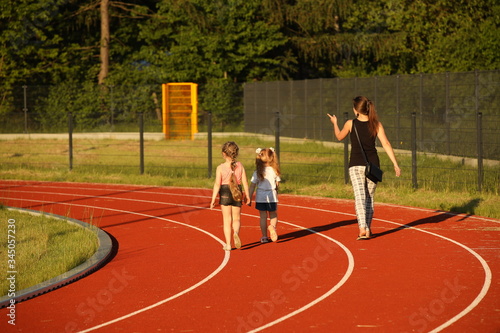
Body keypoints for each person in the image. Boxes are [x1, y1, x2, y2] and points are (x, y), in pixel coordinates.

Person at [328, 96, 401, 240]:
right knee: (369, 198)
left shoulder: (350, 123)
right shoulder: (376, 124)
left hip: (355, 164)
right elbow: (386, 143)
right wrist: (395, 164)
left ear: (356, 110)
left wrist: (335, 123)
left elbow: (338, 136)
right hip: (373, 165)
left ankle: (362, 228)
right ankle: (367, 228)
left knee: (360, 197)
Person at [210, 141, 251, 251]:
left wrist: (213, 199)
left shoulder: (220, 167)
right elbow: (245, 182)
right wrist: (247, 196)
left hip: (224, 192)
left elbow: (217, 184)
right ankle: (236, 233)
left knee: (226, 220)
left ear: (224, 153)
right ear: (236, 153)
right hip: (237, 191)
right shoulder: (240, 166)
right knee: (236, 218)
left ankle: (228, 244)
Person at [248, 147, 281, 243]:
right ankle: (272, 226)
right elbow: (277, 185)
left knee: (263, 216)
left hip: (260, 197)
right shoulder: (275, 171)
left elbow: (252, 186)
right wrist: (276, 192)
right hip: (272, 196)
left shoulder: (257, 172)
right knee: (273, 214)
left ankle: (264, 237)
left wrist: (249, 198)